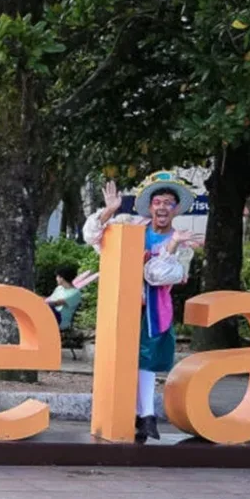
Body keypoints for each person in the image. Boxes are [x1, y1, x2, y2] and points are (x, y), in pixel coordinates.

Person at [84, 172, 202, 444]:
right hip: (120, 303)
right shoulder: (129, 225)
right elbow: (93, 237)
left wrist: (172, 245)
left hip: (152, 308)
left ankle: (146, 415)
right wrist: (109, 211)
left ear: (175, 209)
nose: (162, 207)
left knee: (146, 358)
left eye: (169, 203)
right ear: (150, 206)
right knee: (119, 359)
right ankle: (139, 414)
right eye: (158, 201)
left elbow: (157, 276)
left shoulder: (183, 244)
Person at [45, 264, 93, 330]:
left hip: (60, 321)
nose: (56, 279)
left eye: (57, 277)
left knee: (48, 307)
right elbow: (49, 299)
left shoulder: (75, 293)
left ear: (62, 278)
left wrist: (37, 302)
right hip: (51, 316)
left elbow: (56, 303)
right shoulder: (59, 288)